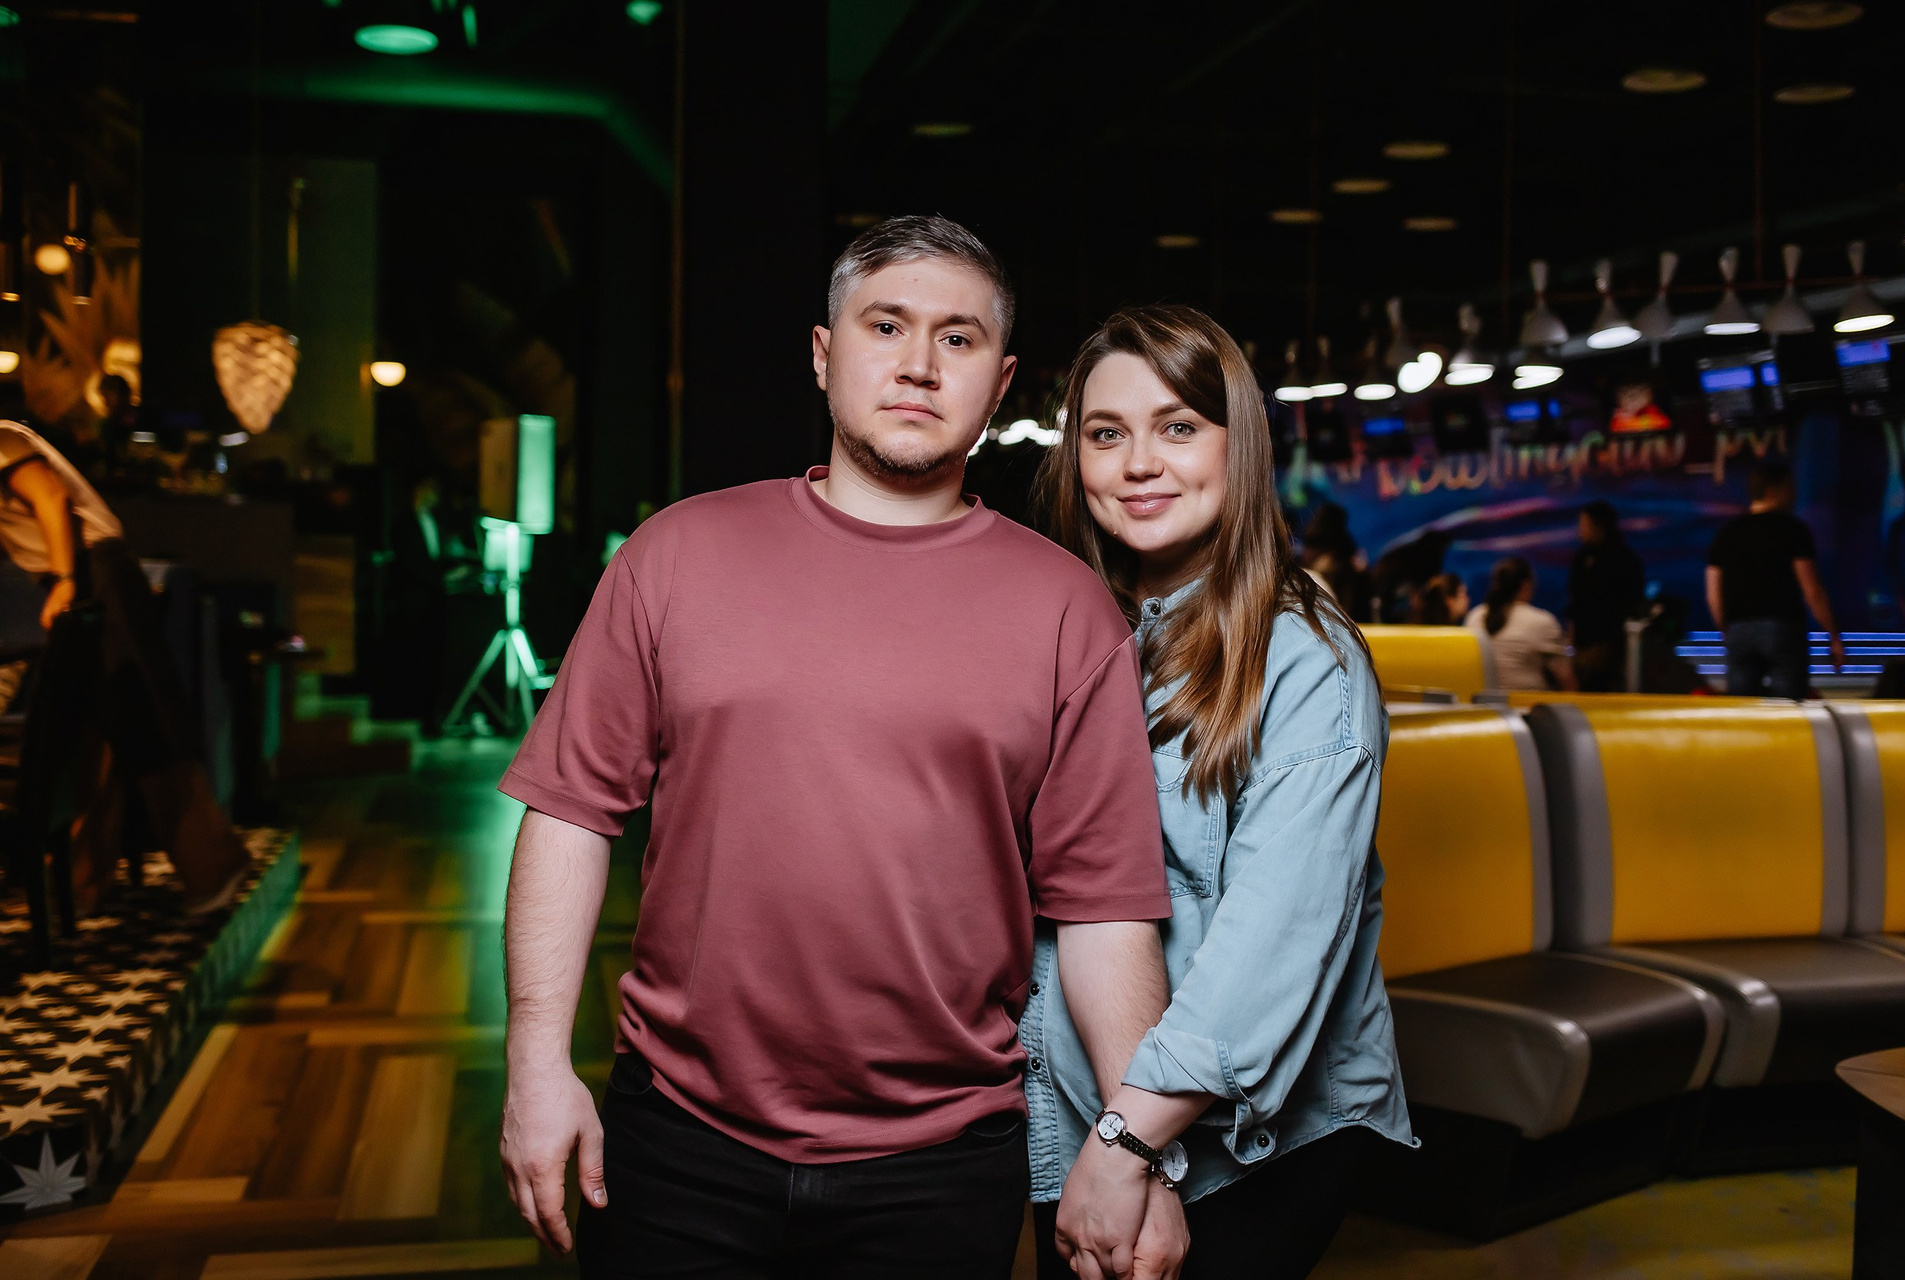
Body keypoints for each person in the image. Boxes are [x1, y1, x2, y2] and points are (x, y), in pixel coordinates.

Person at [495, 216, 1176, 1280]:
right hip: (679, 1137)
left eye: (957, 339)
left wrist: (1140, 1151)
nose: (918, 364)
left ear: (1000, 384)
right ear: (823, 354)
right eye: (886, 325)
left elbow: (1105, 913)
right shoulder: (676, 554)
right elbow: (570, 814)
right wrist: (535, 1065)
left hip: (942, 1163)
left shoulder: (1068, 610)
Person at [1030, 305, 1413, 1280]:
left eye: (1178, 427)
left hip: (1249, 1147)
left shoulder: (1307, 657)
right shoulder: (1082, 632)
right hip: (1083, 1112)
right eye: (1106, 433)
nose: (1139, 463)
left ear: (1238, 447)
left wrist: (1130, 1142)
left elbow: (1272, 946)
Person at [0, 419, 251, 911]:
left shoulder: (1, 437)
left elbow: (50, 497)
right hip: (87, 574)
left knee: (142, 722)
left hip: (91, 573)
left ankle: (214, 865)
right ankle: (82, 881)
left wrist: (65, 581)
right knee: (97, 732)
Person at [1706, 459, 1842, 699]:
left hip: (1739, 630)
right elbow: (1812, 590)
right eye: (1790, 488)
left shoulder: (1727, 533)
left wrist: (1727, 630)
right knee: (1789, 707)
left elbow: (1713, 594)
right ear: (1772, 491)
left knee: (1743, 707)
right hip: (1783, 628)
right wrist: (1832, 635)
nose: (1795, 495)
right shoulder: (1793, 530)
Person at [1566, 500, 1645, 692]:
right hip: (1584, 641)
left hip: (1609, 641)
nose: (1580, 531)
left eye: (1584, 525)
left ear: (1598, 526)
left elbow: (1630, 600)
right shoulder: (1582, 557)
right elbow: (1575, 600)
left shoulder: (1623, 560)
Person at [1466, 557, 1574, 691]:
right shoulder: (1540, 621)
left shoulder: (1475, 616)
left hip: (1481, 701)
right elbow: (1565, 677)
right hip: (1528, 702)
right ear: (1526, 586)